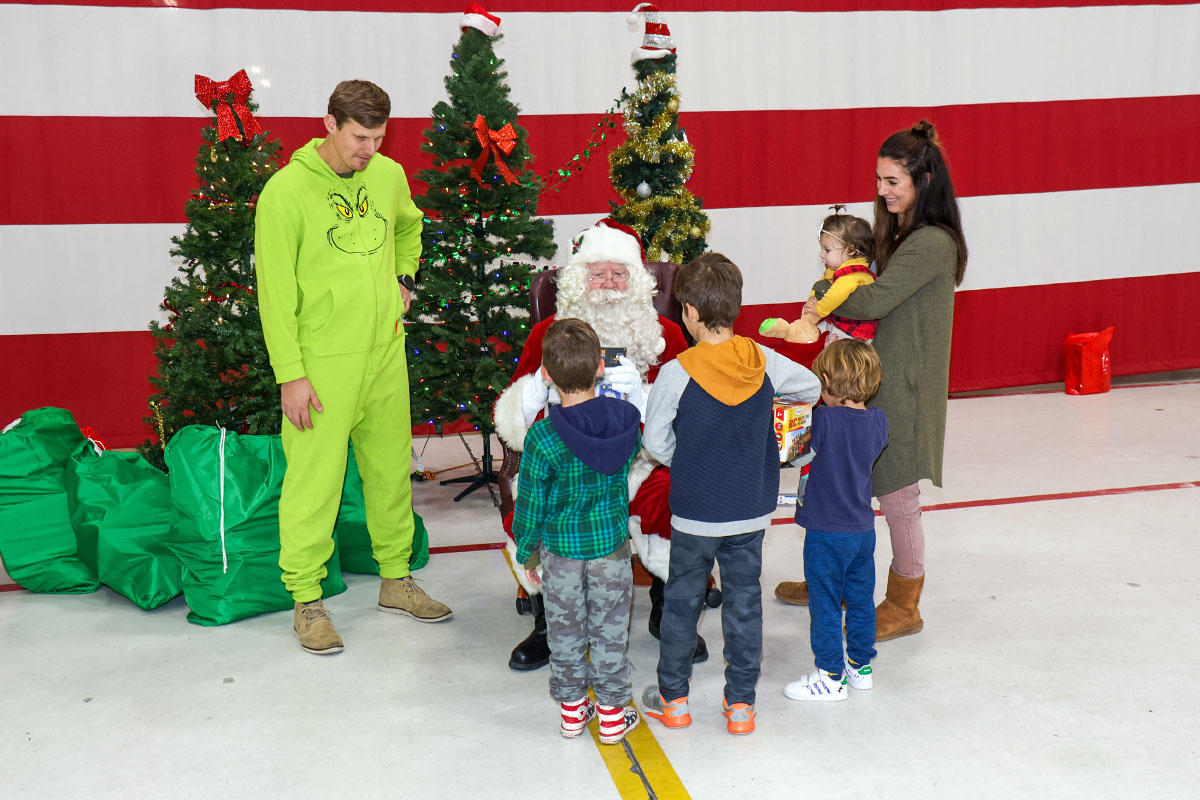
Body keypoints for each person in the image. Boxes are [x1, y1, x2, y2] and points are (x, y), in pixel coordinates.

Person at [255, 80, 452, 655]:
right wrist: (291, 374)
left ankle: (396, 578)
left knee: (390, 472)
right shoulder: (285, 193)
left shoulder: (388, 176)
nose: (369, 149)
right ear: (330, 124)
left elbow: (410, 226)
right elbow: (274, 295)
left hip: (384, 353)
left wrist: (404, 278)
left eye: (378, 138)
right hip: (321, 365)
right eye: (359, 137)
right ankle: (307, 600)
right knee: (313, 484)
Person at [774, 120, 969, 642]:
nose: (881, 191)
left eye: (892, 181)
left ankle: (905, 603)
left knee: (898, 497)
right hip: (864, 381)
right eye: (879, 180)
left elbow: (874, 299)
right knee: (836, 483)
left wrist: (823, 295)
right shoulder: (899, 233)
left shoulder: (932, 242)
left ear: (924, 180)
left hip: (902, 389)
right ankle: (831, 580)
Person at [494, 218, 708, 670]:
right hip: (565, 459)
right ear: (578, 279)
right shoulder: (546, 334)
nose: (608, 285)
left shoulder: (665, 335)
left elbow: (692, 415)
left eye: (619, 274)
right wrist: (536, 393)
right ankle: (550, 620)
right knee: (534, 499)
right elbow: (513, 417)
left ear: (637, 281)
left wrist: (646, 399)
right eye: (597, 274)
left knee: (677, 495)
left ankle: (669, 611)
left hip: (646, 460)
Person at [639, 253, 821, 735]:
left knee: (682, 602)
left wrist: (686, 458)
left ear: (690, 312)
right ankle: (740, 706)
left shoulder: (677, 372)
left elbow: (655, 442)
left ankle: (674, 701)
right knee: (744, 603)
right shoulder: (762, 359)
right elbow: (811, 386)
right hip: (749, 508)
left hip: (694, 512)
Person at [511, 319, 642, 745]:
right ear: (600, 367)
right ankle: (611, 717)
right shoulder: (627, 420)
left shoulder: (543, 437)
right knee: (610, 632)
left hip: (561, 554)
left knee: (565, 633)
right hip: (611, 548)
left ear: (547, 374)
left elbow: (530, 504)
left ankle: (572, 712)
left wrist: (528, 552)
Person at [783, 338, 888, 702]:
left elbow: (792, 455)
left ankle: (830, 676)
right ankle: (860, 666)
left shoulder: (823, 421)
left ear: (825, 381)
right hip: (863, 530)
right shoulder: (879, 421)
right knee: (860, 600)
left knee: (825, 603)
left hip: (826, 532)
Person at [759, 206, 877, 346]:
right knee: (816, 335)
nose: (822, 255)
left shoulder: (853, 275)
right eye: (822, 249)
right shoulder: (837, 271)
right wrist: (811, 303)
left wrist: (818, 309)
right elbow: (820, 286)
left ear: (850, 249)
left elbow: (836, 295)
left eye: (827, 250)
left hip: (854, 333)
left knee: (833, 351)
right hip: (840, 324)